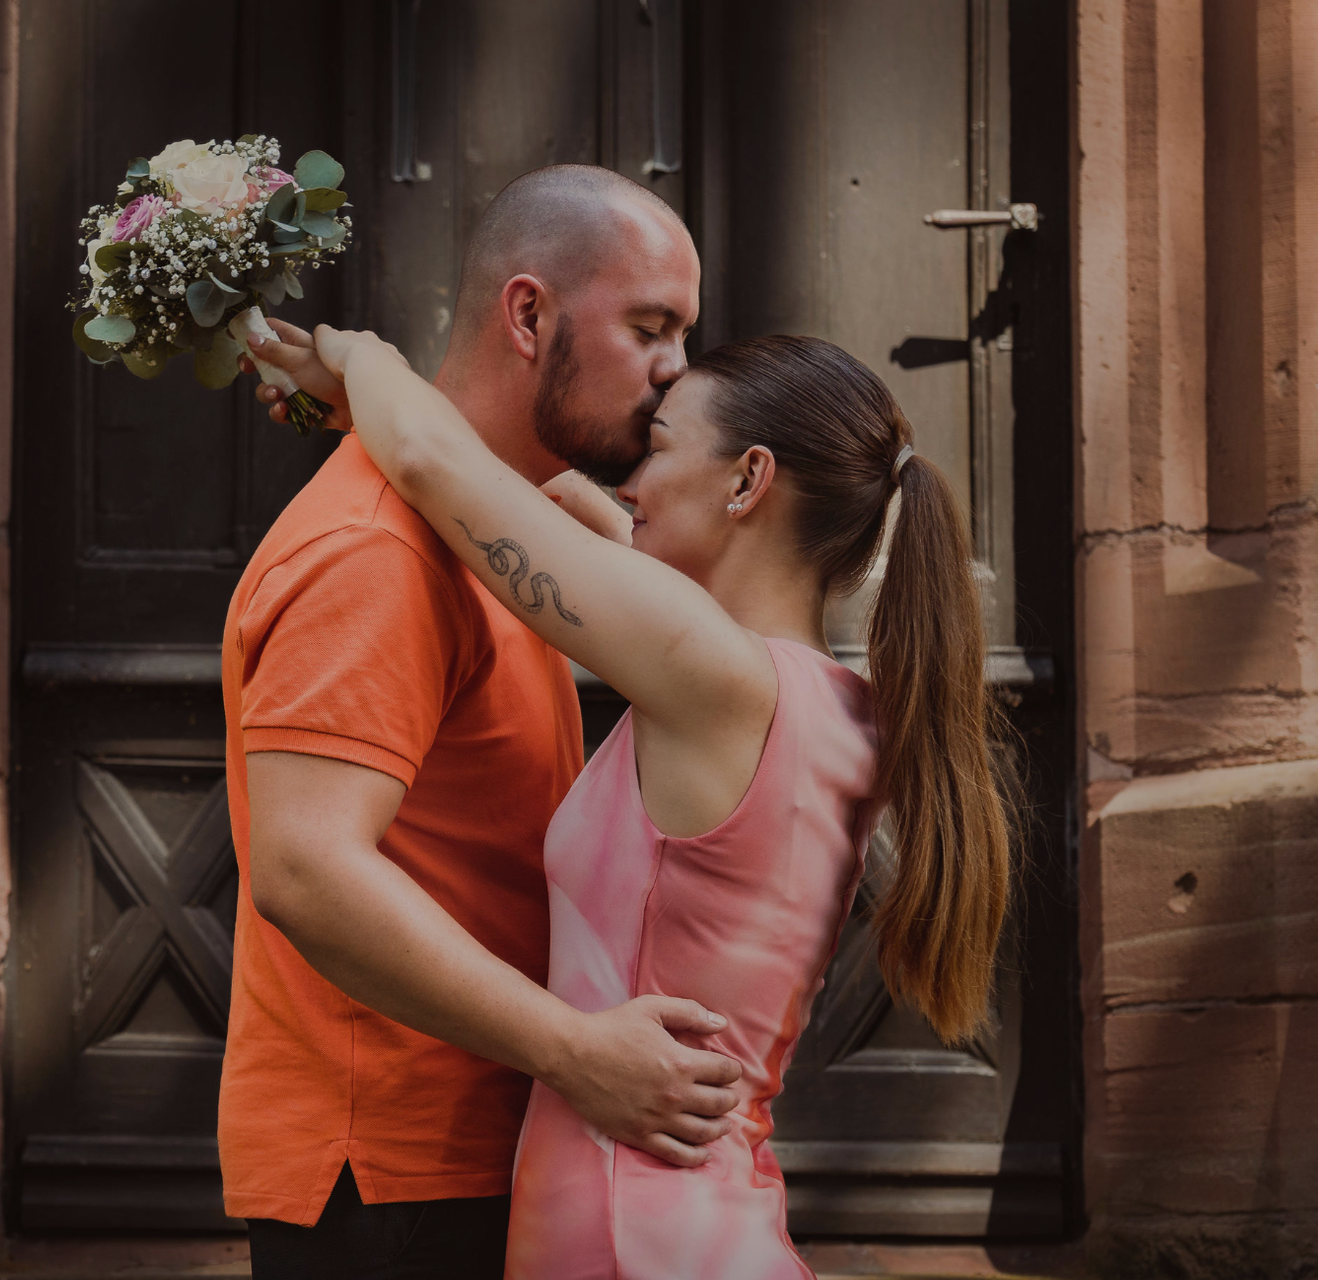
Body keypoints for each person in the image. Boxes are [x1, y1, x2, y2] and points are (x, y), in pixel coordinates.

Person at [243, 323, 1014, 1278]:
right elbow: (582, 529)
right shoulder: (835, 707)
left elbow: (435, 464)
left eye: (656, 449)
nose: (628, 485)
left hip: (625, 1230)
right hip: (700, 1220)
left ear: (748, 480)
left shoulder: (714, 678)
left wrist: (363, 359)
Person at [219, 165, 749, 1280]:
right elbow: (305, 870)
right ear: (528, 316)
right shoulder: (374, 552)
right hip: (392, 1177)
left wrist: (368, 389)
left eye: (683, 334)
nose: (676, 370)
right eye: (650, 328)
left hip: (481, 1148)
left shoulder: (505, 529)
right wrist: (576, 1050)